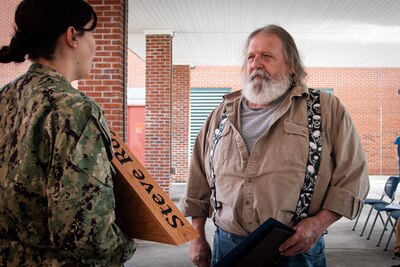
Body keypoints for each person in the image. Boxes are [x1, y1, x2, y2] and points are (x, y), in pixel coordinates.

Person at [180, 24, 370, 267]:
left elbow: (353, 177)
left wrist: (318, 224)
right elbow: (198, 181)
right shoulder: (221, 114)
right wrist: (197, 237)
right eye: (251, 56)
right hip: (227, 245)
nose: (256, 64)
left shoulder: (326, 109)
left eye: (267, 56)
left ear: (291, 65)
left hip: (295, 248)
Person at [0, 0, 135, 266]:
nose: (95, 44)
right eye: (92, 32)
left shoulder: (5, 97)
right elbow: (85, 234)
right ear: (73, 36)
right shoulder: (75, 110)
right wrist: (125, 245)